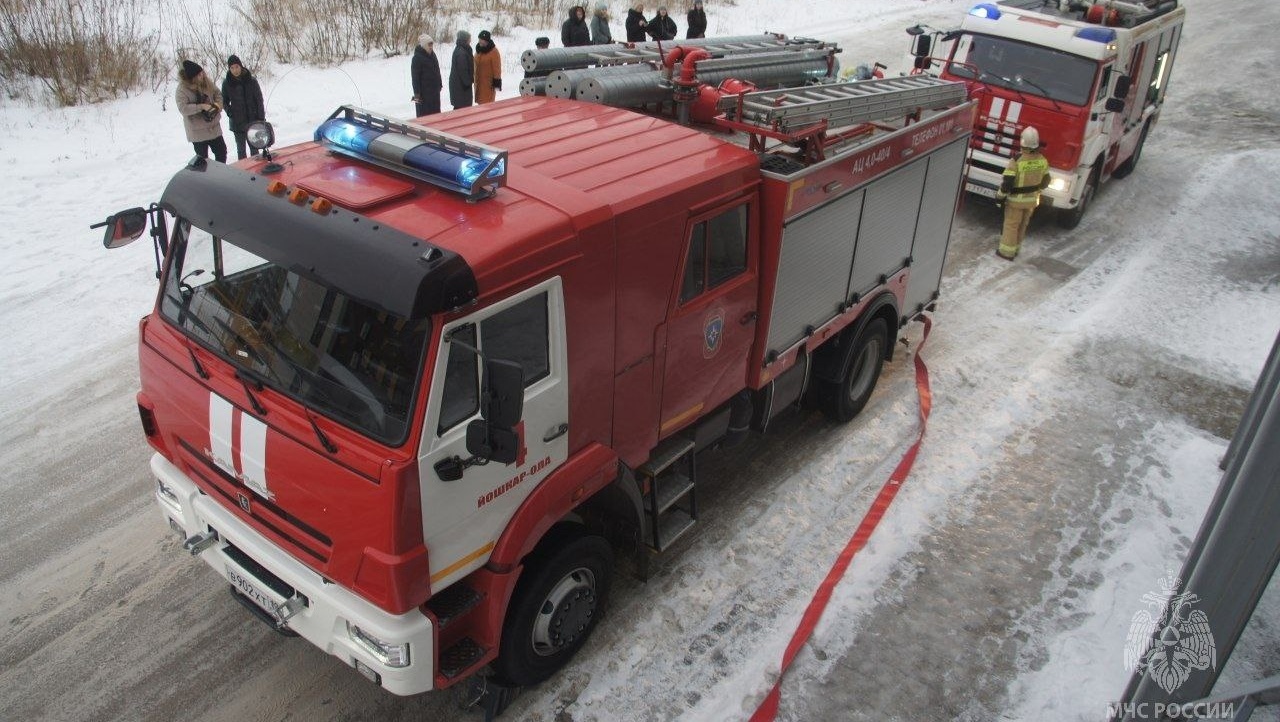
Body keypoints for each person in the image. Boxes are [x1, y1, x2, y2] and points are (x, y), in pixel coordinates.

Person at [996, 126, 1051, 260]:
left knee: (1011, 225)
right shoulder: (1043, 160)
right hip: (1031, 201)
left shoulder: (1017, 160)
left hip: (1015, 201)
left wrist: (1000, 197)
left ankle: (1006, 252)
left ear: (1022, 142)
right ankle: (1016, 249)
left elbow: (1007, 183)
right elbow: (1046, 182)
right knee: (1022, 225)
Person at [176, 60, 227, 163]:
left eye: (202, 73)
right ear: (193, 77)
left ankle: (221, 175)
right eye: (199, 75)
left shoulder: (206, 82)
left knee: (222, 152)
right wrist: (201, 107)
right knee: (203, 160)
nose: (202, 75)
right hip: (197, 132)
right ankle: (207, 178)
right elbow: (183, 109)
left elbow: (217, 93)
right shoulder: (182, 90)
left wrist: (217, 105)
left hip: (213, 127)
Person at [220, 55, 265, 161]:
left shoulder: (251, 80)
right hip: (237, 122)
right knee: (241, 150)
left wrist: (260, 117)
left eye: (236, 67)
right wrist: (229, 111)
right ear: (229, 69)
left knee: (254, 148)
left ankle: (257, 171)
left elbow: (259, 100)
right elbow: (224, 101)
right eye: (232, 68)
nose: (235, 70)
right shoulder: (227, 83)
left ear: (240, 66)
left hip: (252, 120)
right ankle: (244, 173)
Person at [411, 34, 442, 117]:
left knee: (436, 115)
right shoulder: (417, 58)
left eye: (432, 45)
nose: (431, 47)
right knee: (425, 117)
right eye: (429, 45)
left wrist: (439, 84)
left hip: (435, 93)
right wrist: (417, 95)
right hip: (424, 95)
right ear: (424, 45)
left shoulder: (433, 55)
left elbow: (437, 70)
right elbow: (415, 79)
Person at [474, 30, 502, 104]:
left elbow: (497, 68)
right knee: (480, 104)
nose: (479, 41)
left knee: (487, 104)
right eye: (479, 39)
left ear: (486, 41)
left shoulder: (494, 52)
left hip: (488, 85)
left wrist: (496, 82)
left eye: (481, 40)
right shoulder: (478, 50)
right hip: (479, 83)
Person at [449, 30, 474, 110]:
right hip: (461, 87)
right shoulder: (461, 53)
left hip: (460, 85)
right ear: (465, 39)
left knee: (461, 108)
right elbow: (463, 70)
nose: (471, 40)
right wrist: (468, 82)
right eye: (469, 38)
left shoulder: (462, 49)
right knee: (462, 109)